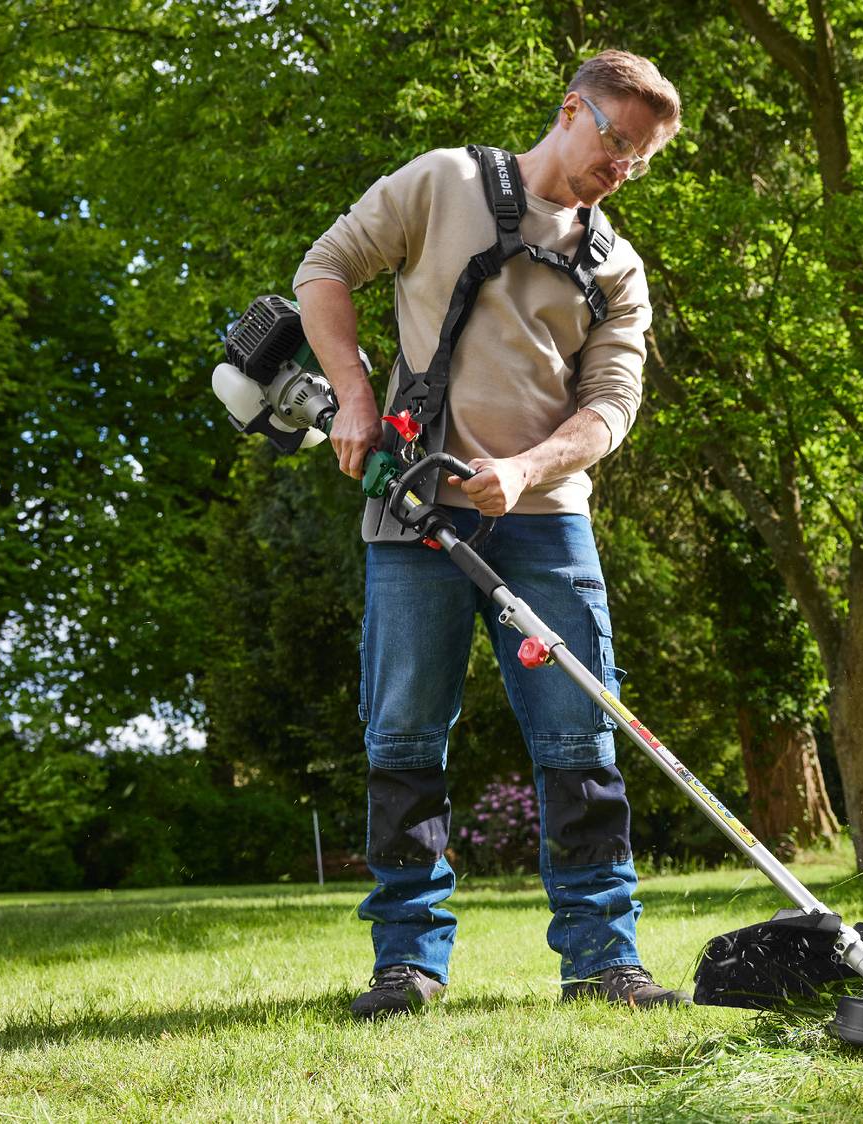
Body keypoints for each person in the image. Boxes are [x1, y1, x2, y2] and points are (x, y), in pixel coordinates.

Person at [293, 50, 682, 1019]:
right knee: (405, 736)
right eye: (617, 141)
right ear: (570, 110)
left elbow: (611, 408)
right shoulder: (446, 182)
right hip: (411, 514)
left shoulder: (616, 268)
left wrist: (524, 470)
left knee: (578, 736)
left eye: (642, 159)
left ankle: (604, 959)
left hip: (545, 525)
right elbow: (325, 268)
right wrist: (353, 396)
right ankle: (408, 963)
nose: (623, 166)